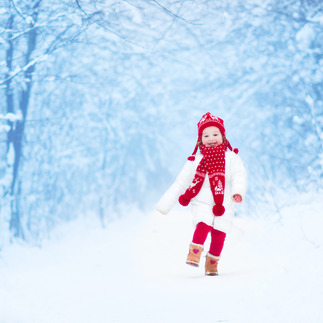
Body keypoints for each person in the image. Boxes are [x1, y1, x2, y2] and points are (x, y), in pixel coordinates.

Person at [155, 112, 247, 276]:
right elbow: (180, 182)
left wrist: (237, 191)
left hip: (223, 203)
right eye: (206, 135)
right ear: (200, 139)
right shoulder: (195, 160)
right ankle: (194, 252)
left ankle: (212, 264)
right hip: (201, 201)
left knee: (219, 234)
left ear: (223, 137)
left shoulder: (231, 158)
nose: (211, 138)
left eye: (215, 134)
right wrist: (165, 204)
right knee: (202, 224)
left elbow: (239, 174)